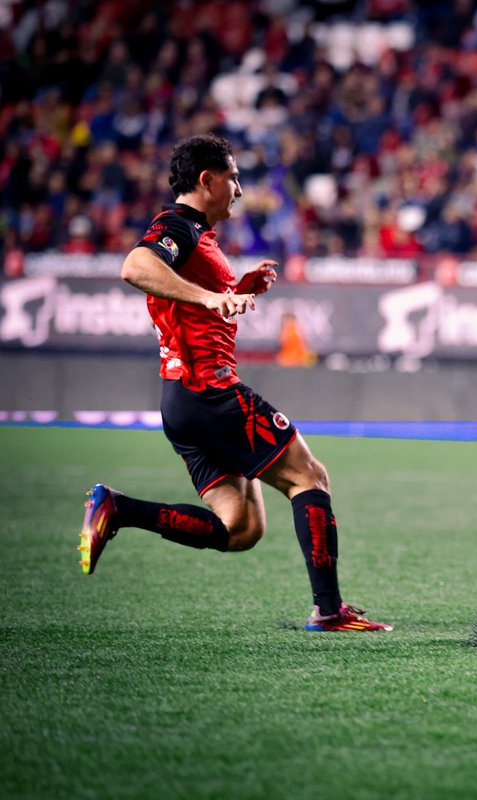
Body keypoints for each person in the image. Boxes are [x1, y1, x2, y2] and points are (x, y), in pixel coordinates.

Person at [77, 134, 390, 631]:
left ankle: (118, 508)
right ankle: (330, 610)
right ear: (207, 180)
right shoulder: (174, 226)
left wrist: (235, 288)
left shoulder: (196, 236)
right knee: (310, 477)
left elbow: (191, 299)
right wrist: (209, 297)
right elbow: (136, 266)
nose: (239, 190)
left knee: (241, 528)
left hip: (181, 400)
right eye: (234, 178)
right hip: (211, 392)